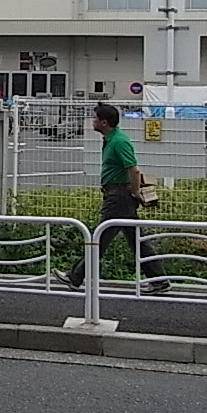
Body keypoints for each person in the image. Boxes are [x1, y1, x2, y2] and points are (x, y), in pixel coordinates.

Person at [55, 104, 170, 294]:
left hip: (118, 197)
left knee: (98, 237)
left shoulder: (119, 142)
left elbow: (133, 169)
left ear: (104, 122)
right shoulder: (111, 139)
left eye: (95, 118)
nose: (92, 121)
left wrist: (134, 192)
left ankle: (75, 276)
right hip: (118, 195)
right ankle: (159, 280)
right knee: (136, 240)